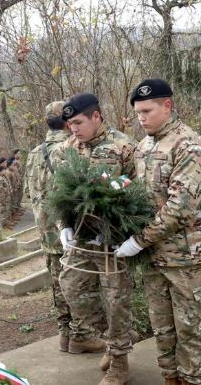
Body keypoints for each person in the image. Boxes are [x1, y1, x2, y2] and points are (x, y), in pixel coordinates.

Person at [115, 79, 201, 385]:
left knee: (188, 330)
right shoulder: (145, 145)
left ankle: (190, 380)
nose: (141, 118)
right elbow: (144, 193)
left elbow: (180, 207)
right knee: (162, 328)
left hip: (187, 257)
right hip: (154, 257)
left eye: (147, 111)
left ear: (168, 106)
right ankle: (170, 378)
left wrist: (138, 240)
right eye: (137, 113)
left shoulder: (190, 146)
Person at [54, 92, 136, 385]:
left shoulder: (124, 146)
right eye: (69, 124)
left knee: (115, 299)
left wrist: (109, 189)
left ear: (97, 117)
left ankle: (119, 362)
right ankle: (110, 340)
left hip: (112, 240)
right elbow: (60, 190)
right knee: (71, 287)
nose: (73, 128)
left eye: (78, 122)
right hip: (80, 237)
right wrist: (63, 225)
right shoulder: (67, 148)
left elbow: (136, 191)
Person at [24, 101, 79, 351]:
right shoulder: (72, 148)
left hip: (45, 232)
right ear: (68, 122)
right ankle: (81, 335)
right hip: (69, 231)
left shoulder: (34, 153)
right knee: (78, 282)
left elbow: (28, 191)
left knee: (57, 283)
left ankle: (64, 334)